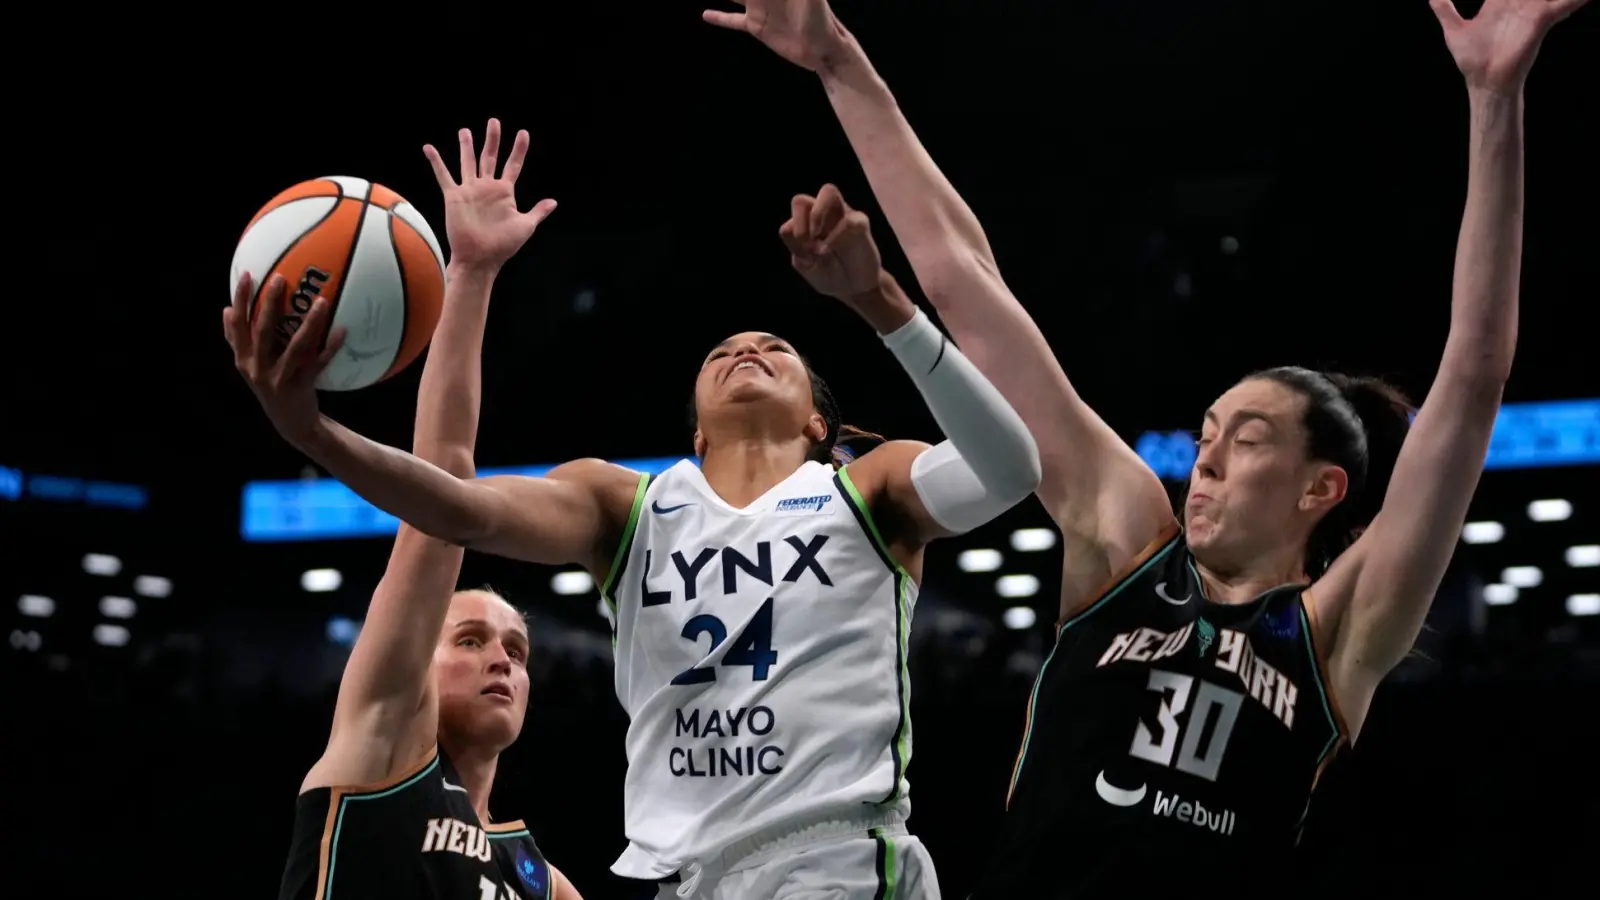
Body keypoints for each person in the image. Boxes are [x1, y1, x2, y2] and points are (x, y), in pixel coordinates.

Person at [704, 0, 1588, 894]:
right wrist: (843, 64)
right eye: (1206, 435)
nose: (1204, 459)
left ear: (1320, 488)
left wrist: (1493, 94)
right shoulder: (1126, 542)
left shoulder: (1337, 637)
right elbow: (964, 282)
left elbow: (1473, 378)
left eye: (1246, 442)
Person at [226, 123, 1043, 897]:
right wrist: (318, 434)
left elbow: (1011, 468)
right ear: (694, 428)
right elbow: (457, 505)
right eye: (723, 352)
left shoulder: (868, 489)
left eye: (775, 350)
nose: (746, 350)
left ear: (817, 423)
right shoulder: (631, 506)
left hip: (831, 856)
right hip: (690, 876)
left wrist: (883, 305)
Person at [228, 120, 582, 900]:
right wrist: (472, 275)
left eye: (517, 652)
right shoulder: (385, 751)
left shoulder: (542, 884)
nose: (503, 660)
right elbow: (445, 488)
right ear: (410, 661)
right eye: (469, 638)